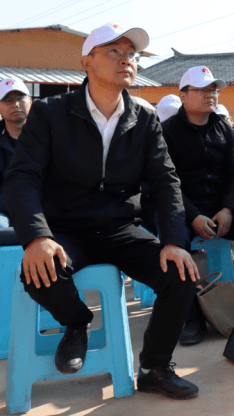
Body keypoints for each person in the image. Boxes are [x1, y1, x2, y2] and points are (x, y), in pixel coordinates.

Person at [3, 22, 200, 399]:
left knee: (180, 272)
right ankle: (77, 322)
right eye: (114, 51)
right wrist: (37, 236)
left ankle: (155, 367)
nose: (126, 59)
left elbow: (165, 182)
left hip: (120, 228)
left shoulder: (143, 118)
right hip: (65, 228)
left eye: (132, 54)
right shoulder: (50, 113)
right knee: (38, 270)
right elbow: (21, 178)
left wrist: (174, 240)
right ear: (87, 62)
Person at [161, 65, 234, 345]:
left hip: (223, 208)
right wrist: (193, 216)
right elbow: (167, 182)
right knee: (172, 243)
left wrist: (229, 209)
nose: (211, 95)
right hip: (182, 211)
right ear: (183, 95)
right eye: (203, 90)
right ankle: (190, 318)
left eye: (214, 90)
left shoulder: (224, 129)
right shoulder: (166, 132)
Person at [0, 78, 32, 228]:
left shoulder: (50, 138)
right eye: (7, 100)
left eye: (20, 98)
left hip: (42, 212)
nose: (15, 104)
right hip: (4, 214)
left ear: (30, 101)